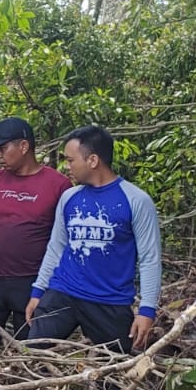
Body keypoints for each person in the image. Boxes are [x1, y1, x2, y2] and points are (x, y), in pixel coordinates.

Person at [26, 125, 162, 352]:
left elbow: (150, 257)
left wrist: (147, 310)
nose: (66, 167)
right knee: (30, 355)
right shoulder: (69, 197)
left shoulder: (136, 200)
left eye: (71, 160)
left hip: (109, 300)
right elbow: (57, 247)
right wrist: (38, 291)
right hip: (63, 292)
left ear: (92, 160)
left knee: (115, 375)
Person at [0, 118, 71, 349]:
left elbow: (65, 240)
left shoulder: (59, 185)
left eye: (3, 148)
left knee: (30, 351)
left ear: (24, 146)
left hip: (33, 281)